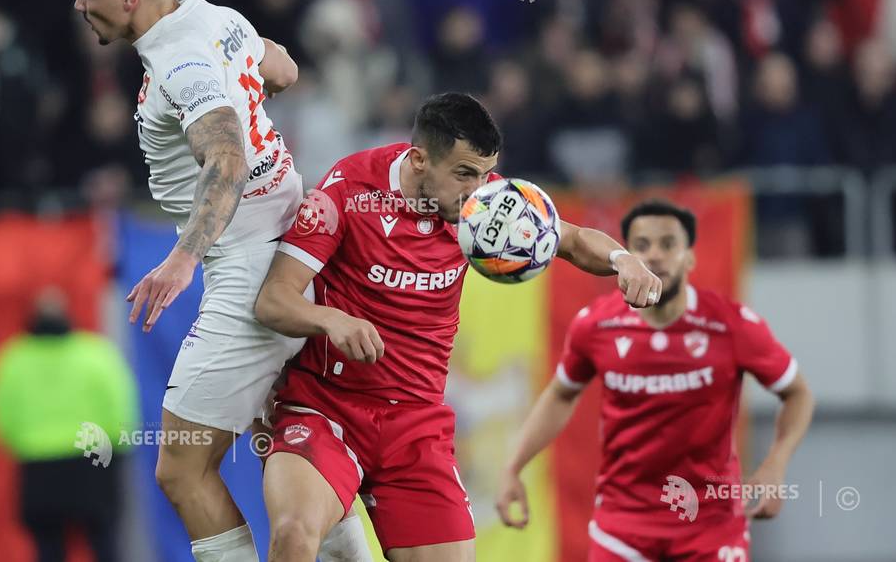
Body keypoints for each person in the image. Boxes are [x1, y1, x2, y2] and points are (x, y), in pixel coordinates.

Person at [254, 92, 663, 561]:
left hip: (416, 422)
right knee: (293, 534)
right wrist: (330, 319)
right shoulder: (345, 194)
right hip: (327, 408)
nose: (479, 190)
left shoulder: (487, 204)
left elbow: (569, 238)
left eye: (486, 174)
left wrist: (622, 259)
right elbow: (274, 299)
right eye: (465, 174)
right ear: (419, 159)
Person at [71, 0, 368, 562]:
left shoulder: (177, 58)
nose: (78, 5)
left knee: (181, 469)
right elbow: (282, 68)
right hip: (296, 246)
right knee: (283, 440)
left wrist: (181, 259)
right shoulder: (216, 16)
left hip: (251, 274)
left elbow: (226, 157)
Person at [496, 199, 815, 561]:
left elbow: (798, 394)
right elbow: (560, 395)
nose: (655, 256)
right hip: (622, 526)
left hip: (711, 525)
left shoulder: (733, 325)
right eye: (642, 246)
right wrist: (513, 467)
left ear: (690, 257)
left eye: (668, 244)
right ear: (626, 257)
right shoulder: (596, 324)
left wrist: (776, 463)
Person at [0, 288, 138, 562]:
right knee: (105, 546)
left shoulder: (12, 359)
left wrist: (25, 443)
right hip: (93, 464)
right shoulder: (95, 354)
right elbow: (120, 406)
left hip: (39, 468)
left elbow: (0, 418)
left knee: (48, 550)